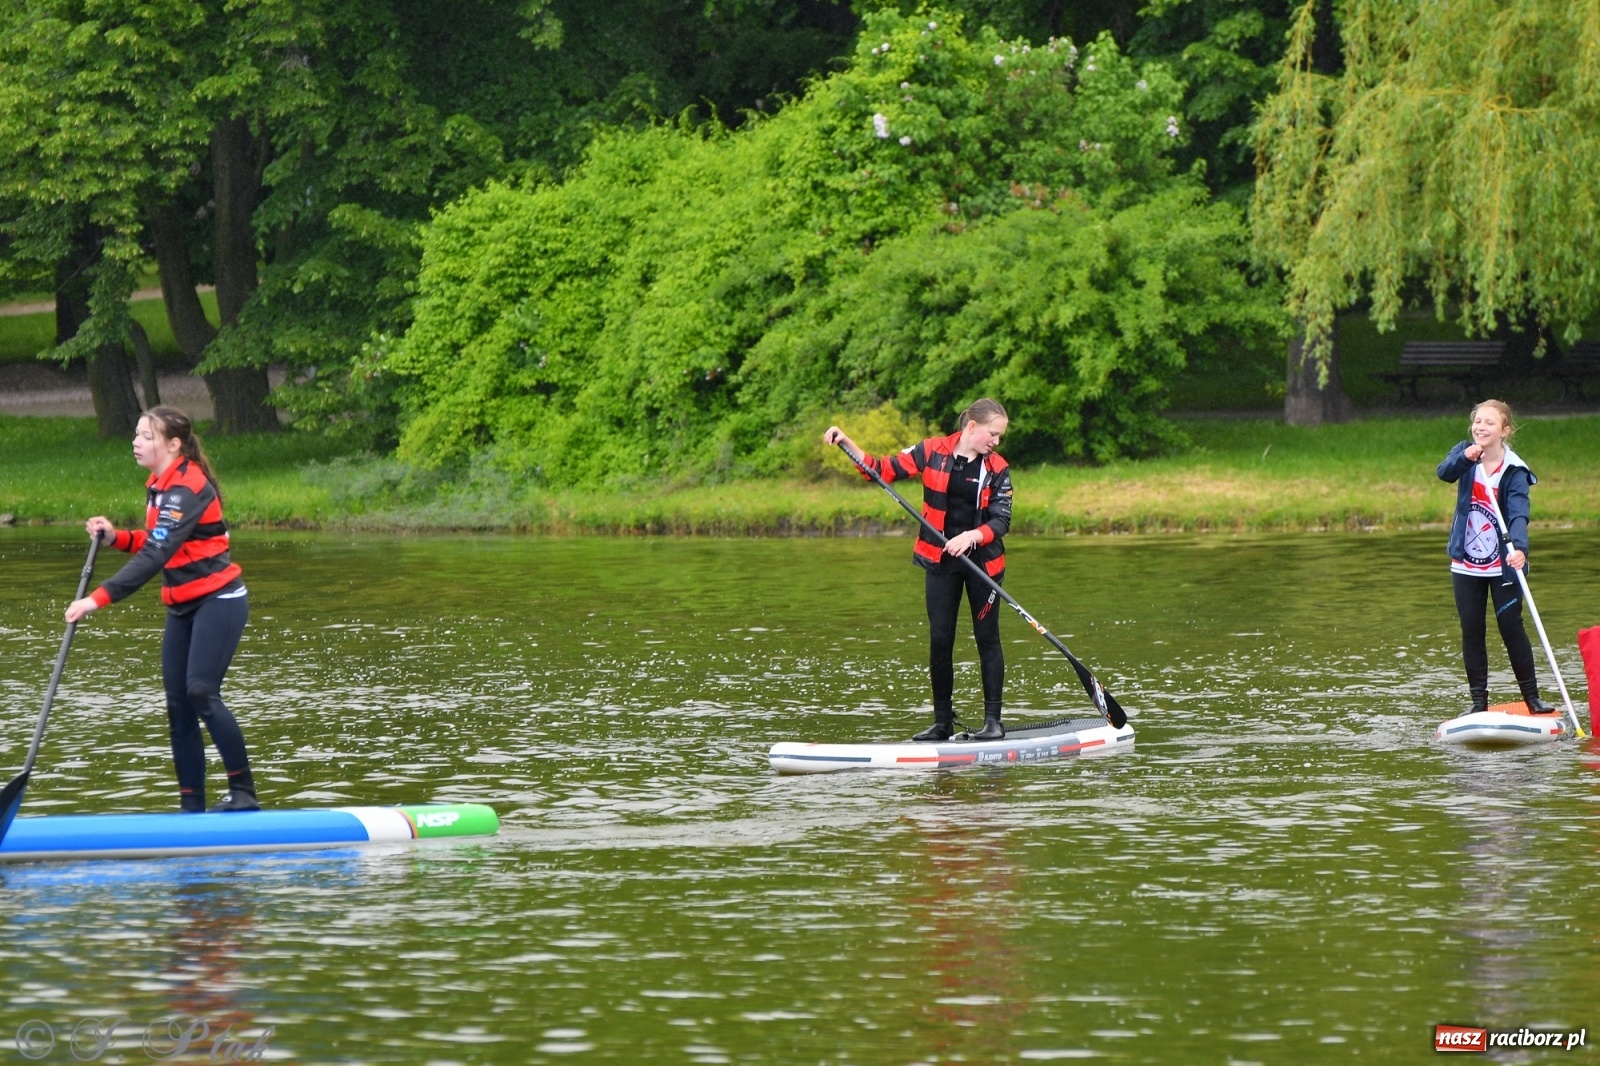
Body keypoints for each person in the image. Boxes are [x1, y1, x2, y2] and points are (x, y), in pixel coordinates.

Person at [64, 406, 261, 811]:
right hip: (183, 605)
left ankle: (243, 793)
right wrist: (115, 537)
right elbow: (157, 540)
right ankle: (191, 807)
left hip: (219, 600)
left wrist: (95, 599)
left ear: (173, 444)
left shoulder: (186, 488)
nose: (136, 442)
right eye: (136, 434)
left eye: (146, 436)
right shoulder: (160, 485)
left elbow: (156, 554)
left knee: (200, 691)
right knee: (177, 705)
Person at [824, 399, 1014, 741]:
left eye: (1000, 436)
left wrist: (971, 536)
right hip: (939, 561)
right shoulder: (931, 451)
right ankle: (942, 723)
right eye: (993, 434)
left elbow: (1001, 520)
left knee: (987, 639)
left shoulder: (997, 467)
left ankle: (992, 723)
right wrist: (846, 442)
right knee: (940, 640)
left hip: (982, 564)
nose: (996, 441)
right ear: (972, 426)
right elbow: (880, 469)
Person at [1436, 399, 1554, 716]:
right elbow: (1444, 473)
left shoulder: (1514, 470)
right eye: (1478, 421)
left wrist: (1520, 549)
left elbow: (1518, 514)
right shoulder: (1464, 453)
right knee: (1472, 630)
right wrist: (1465, 458)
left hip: (1504, 564)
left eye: (1489, 423)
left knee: (1511, 626)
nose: (1481, 427)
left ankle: (1532, 699)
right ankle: (1478, 702)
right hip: (1466, 564)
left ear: (1504, 431)